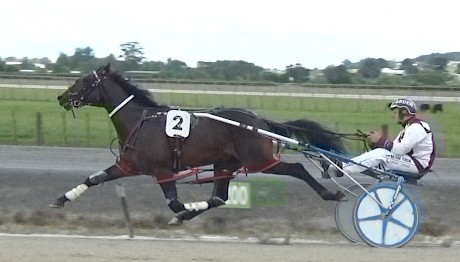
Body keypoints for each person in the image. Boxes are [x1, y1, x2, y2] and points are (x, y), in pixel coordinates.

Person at [329, 98, 436, 177]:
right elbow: (393, 150)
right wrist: (374, 142)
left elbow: (400, 150)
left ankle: (342, 168)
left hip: (417, 165)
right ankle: (334, 166)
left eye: (394, 112)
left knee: (381, 154)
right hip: (410, 162)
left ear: (404, 112)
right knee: (377, 154)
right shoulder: (408, 128)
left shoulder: (416, 127)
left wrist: (380, 140)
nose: (392, 115)